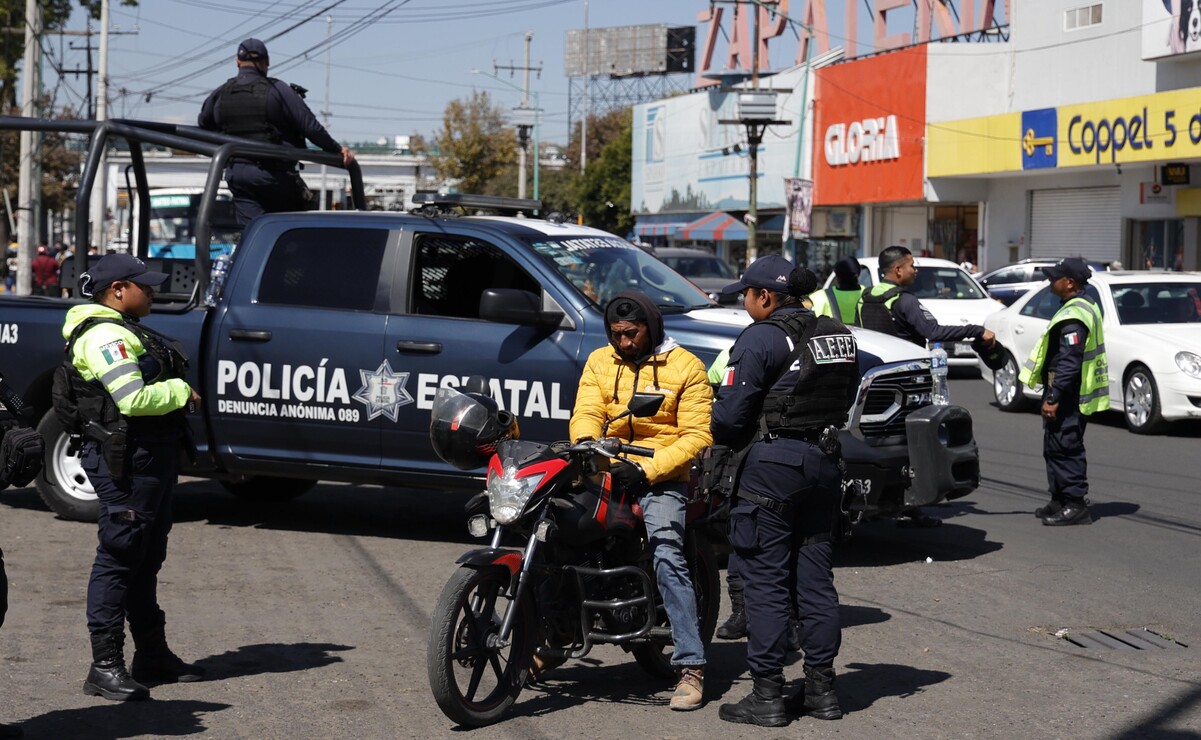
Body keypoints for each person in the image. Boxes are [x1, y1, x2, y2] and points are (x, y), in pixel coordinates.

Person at [712, 255, 860, 727]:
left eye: (747, 296)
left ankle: (768, 695)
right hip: (825, 462)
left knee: (765, 581)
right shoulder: (836, 333)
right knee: (815, 581)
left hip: (773, 467)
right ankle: (821, 692)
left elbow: (730, 416)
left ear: (766, 297)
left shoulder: (761, 336)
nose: (745, 304)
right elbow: (849, 391)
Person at [63, 254, 204, 701]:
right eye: (146, 285)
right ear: (118, 289)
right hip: (126, 462)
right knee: (120, 557)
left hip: (148, 460)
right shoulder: (106, 335)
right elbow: (133, 398)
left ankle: (152, 655)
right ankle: (104, 666)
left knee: (145, 557)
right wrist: (182, 391)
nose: (155, 292)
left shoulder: (124, 327)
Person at [570, 291, 713, 711]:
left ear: (651, 327)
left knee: (667, 553)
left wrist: (648, 470)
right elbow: (587, 411)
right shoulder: (600, 360)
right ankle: (547, 638)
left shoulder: (687, 367)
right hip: (606, 464)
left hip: (663, 473)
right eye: (616, 334)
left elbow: (697, 437)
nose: (624, 342)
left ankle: (691, 665)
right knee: (554, 528)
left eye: (631, 333)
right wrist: (586, 446)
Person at [858, 245, 996, 528]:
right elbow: (934, 333)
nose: (915, 270)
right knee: (916, 443)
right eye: (911, 265)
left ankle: (886, 503)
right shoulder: (904, 300)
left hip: (878, 383)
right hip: (909, 383)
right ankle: (912, 506)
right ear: (897, 270)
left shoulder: (866, 297)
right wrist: (976, 330)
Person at [198, 38, 355, 226]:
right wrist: (338, 151)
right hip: (274, 176)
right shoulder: (278, 90)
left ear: (237, 62)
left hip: (239, 175)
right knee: (290, 233)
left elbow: (203, 123)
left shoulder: (220, 93)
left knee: (252, 234)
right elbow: (310, 127)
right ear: (267, 62)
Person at [1018, 257, 1108, 526]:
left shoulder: (1074, 315)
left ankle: (1075, 504)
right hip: (1063, 388)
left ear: (1069, 283)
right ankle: (1058, 499)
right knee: (1055, 445)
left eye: (1054, 277)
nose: (1050, 280)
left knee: (1067, 446)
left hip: (1068, 391)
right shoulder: (1076, 306)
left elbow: (1069, 360)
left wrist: (1053, 396)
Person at [808, 255, 864, 326]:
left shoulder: (819, 297)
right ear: (858, 274)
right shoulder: (867, 295)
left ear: (836, 276)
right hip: (866, 336)